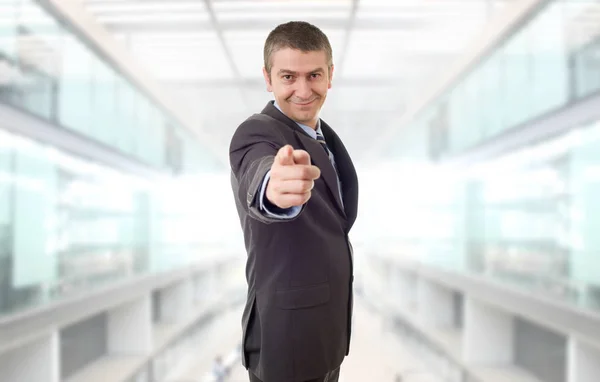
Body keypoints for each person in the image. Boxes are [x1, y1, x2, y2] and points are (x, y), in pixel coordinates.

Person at [229, 21, 359, 382]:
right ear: (268, 79)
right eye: (288, 77)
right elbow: (260, 173)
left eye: (314, 75)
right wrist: (275, 189)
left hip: (324, 336)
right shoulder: (256, 132)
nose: (303, 90)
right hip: (287, 341)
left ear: (330, 75)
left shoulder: (323, 136)